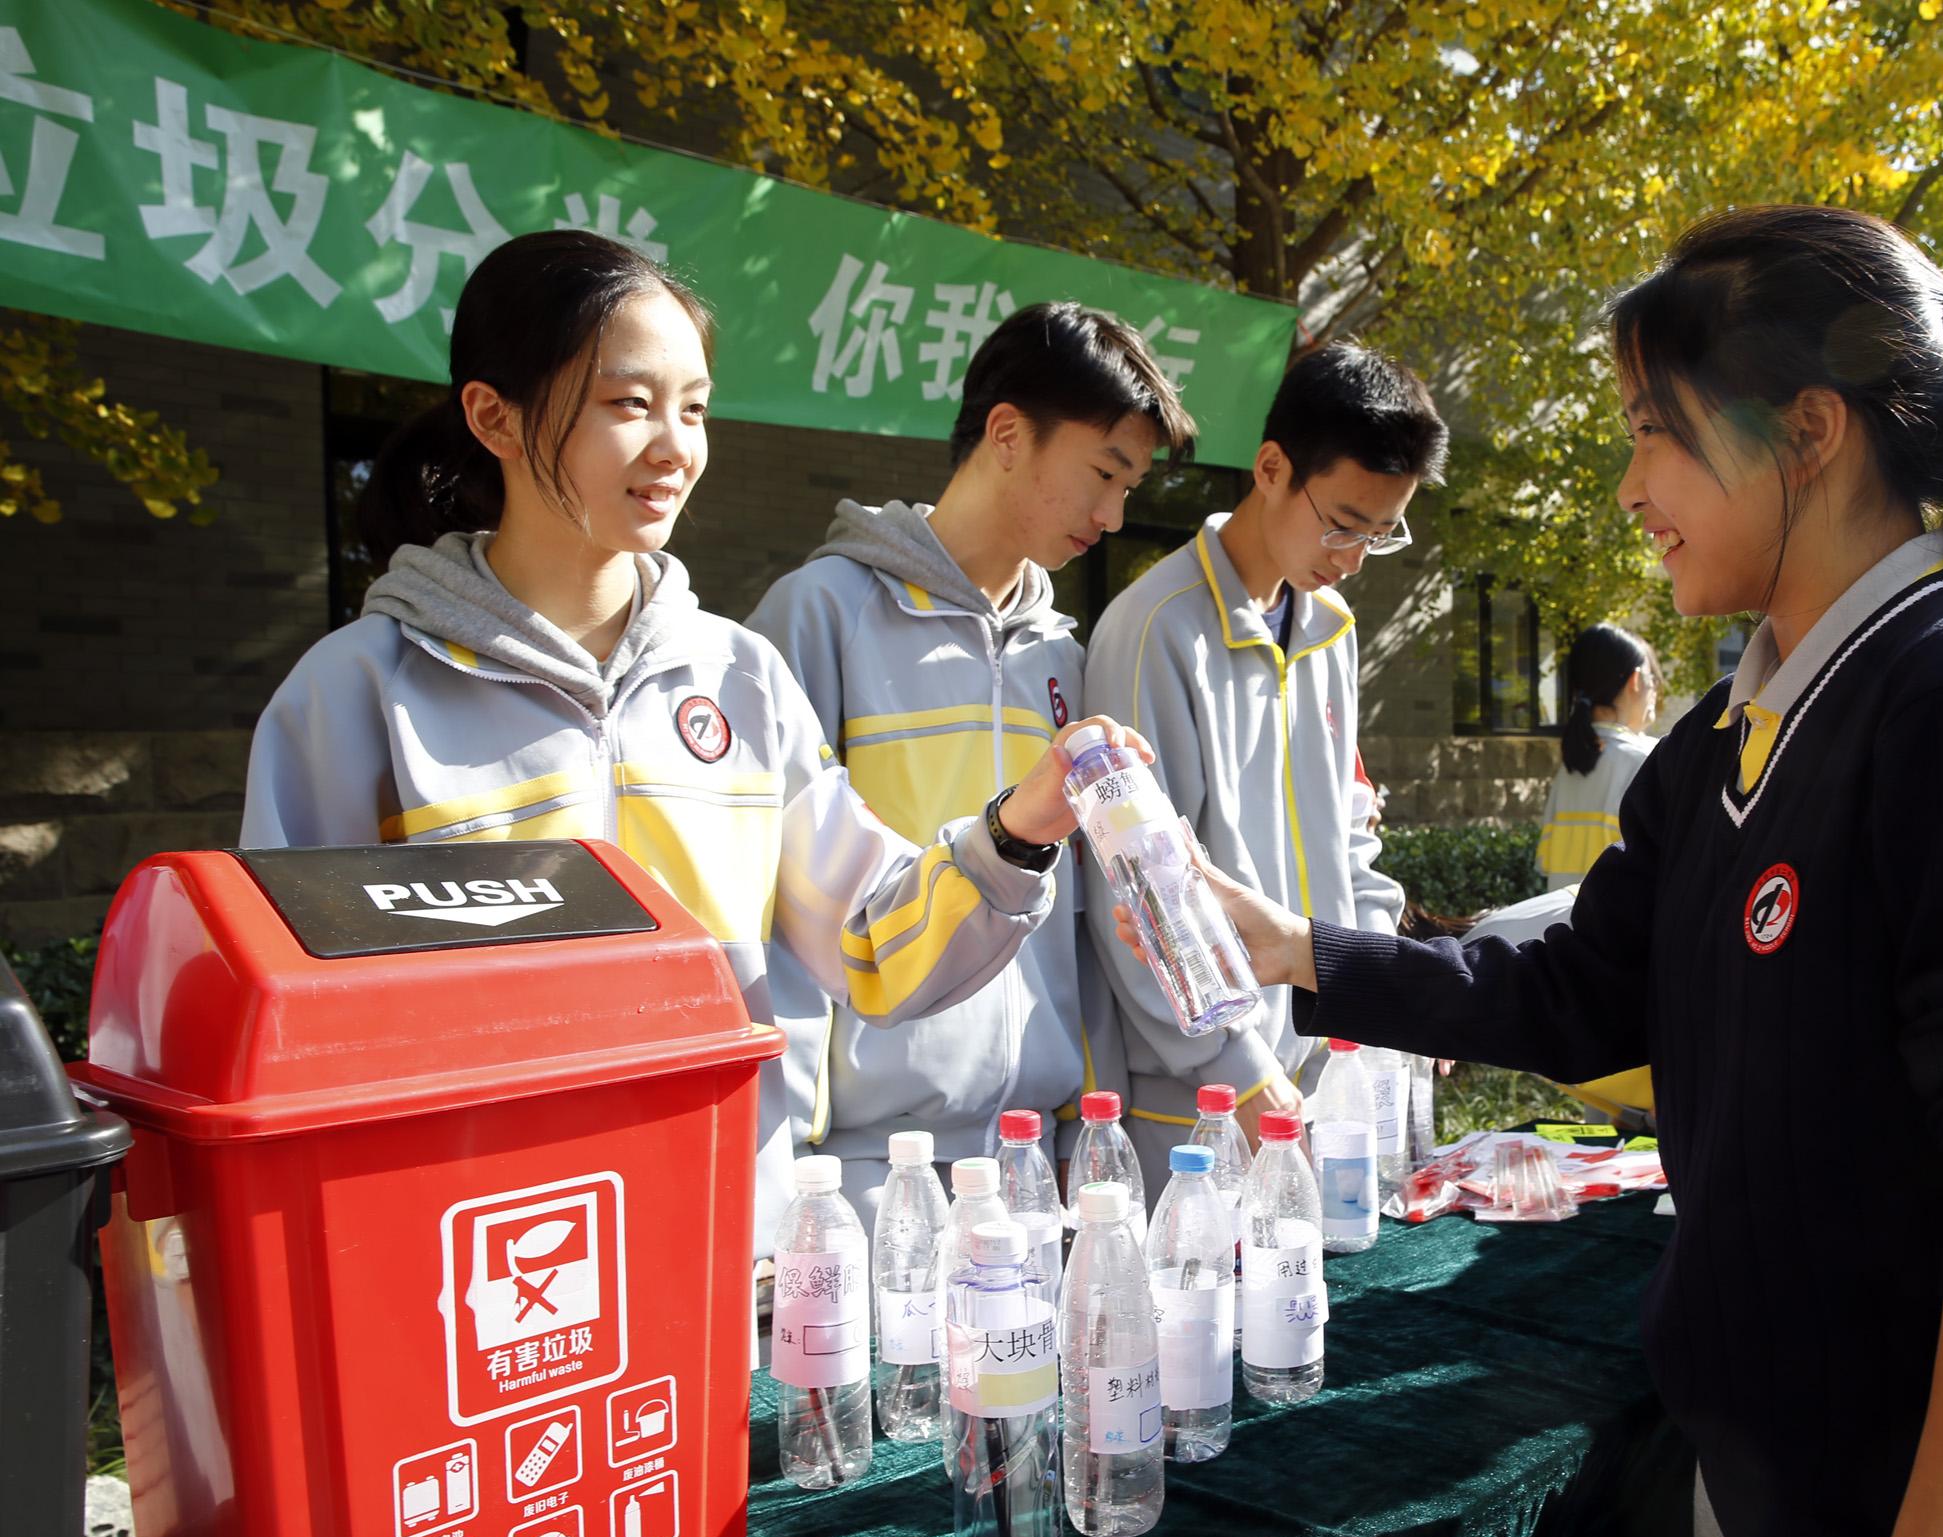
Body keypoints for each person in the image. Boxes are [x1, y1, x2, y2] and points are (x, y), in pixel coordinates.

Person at [1139, 204, 1943, 1537]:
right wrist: (1298, 949)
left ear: (1808, 431)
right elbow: (1583, 988)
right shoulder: (1730, 736)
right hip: (1775, 1497)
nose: (1631, 485)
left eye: (1655, 430)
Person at [240, 229, 1151, 1258]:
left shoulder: (739, 680)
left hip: (727, 1246)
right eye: (629, 404)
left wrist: (1019, 829)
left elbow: (872, 943)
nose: (675, 445)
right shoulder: (359, 694)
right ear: (493, 416)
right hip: (482, 1271)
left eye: (694, 406)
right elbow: (295, 1043)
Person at [747, 302, 1192, 1210]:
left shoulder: (1061, 658)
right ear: (1006, 433)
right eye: (1103, 472)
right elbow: (771, 919)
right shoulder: (818, 617)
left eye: (1129, 488)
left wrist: (1083, 1122)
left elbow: (1080, 929)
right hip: (869, 1174)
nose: (1111, 515)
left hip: (1033, 1159)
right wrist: (782, 1159)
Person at [1080, 341, 1444, 1189]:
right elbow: (1136, 897)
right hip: (1199, 1105)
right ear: (1271, 466)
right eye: (1344, 523)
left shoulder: (1331, 629)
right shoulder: (1155, 629)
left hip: (1323, 1080)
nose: (1352, 556)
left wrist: (1391, 997)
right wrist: (1244, 1073)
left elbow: (1351, 847)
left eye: (1380, 533)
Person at [1538, 623, 1661, 889]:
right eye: (1653, 680)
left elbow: (1549, 872)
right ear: (1636, 681)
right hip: (1627, 928)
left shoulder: (1570, 767)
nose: (1656, 691)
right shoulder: (1650, 760)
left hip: (1564, 926)